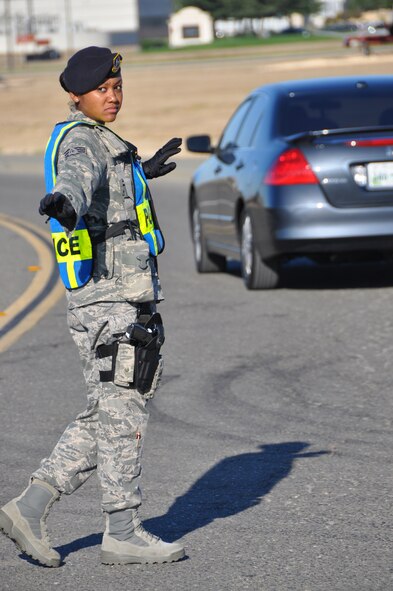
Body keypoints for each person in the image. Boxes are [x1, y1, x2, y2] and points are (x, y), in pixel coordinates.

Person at [0, 46, 184, 567]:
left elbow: (105, 183)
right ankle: (122, 531)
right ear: (75, 96)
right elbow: (76, 178)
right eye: (102, 89)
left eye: (117, 87)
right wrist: (66, 201)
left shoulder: (107, 142)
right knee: (121, 412)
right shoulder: (82, 140)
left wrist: (139, 171)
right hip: (109, 300)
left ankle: (29, 508)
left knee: (107, 410)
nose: (113, 96)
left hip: (121, 296)